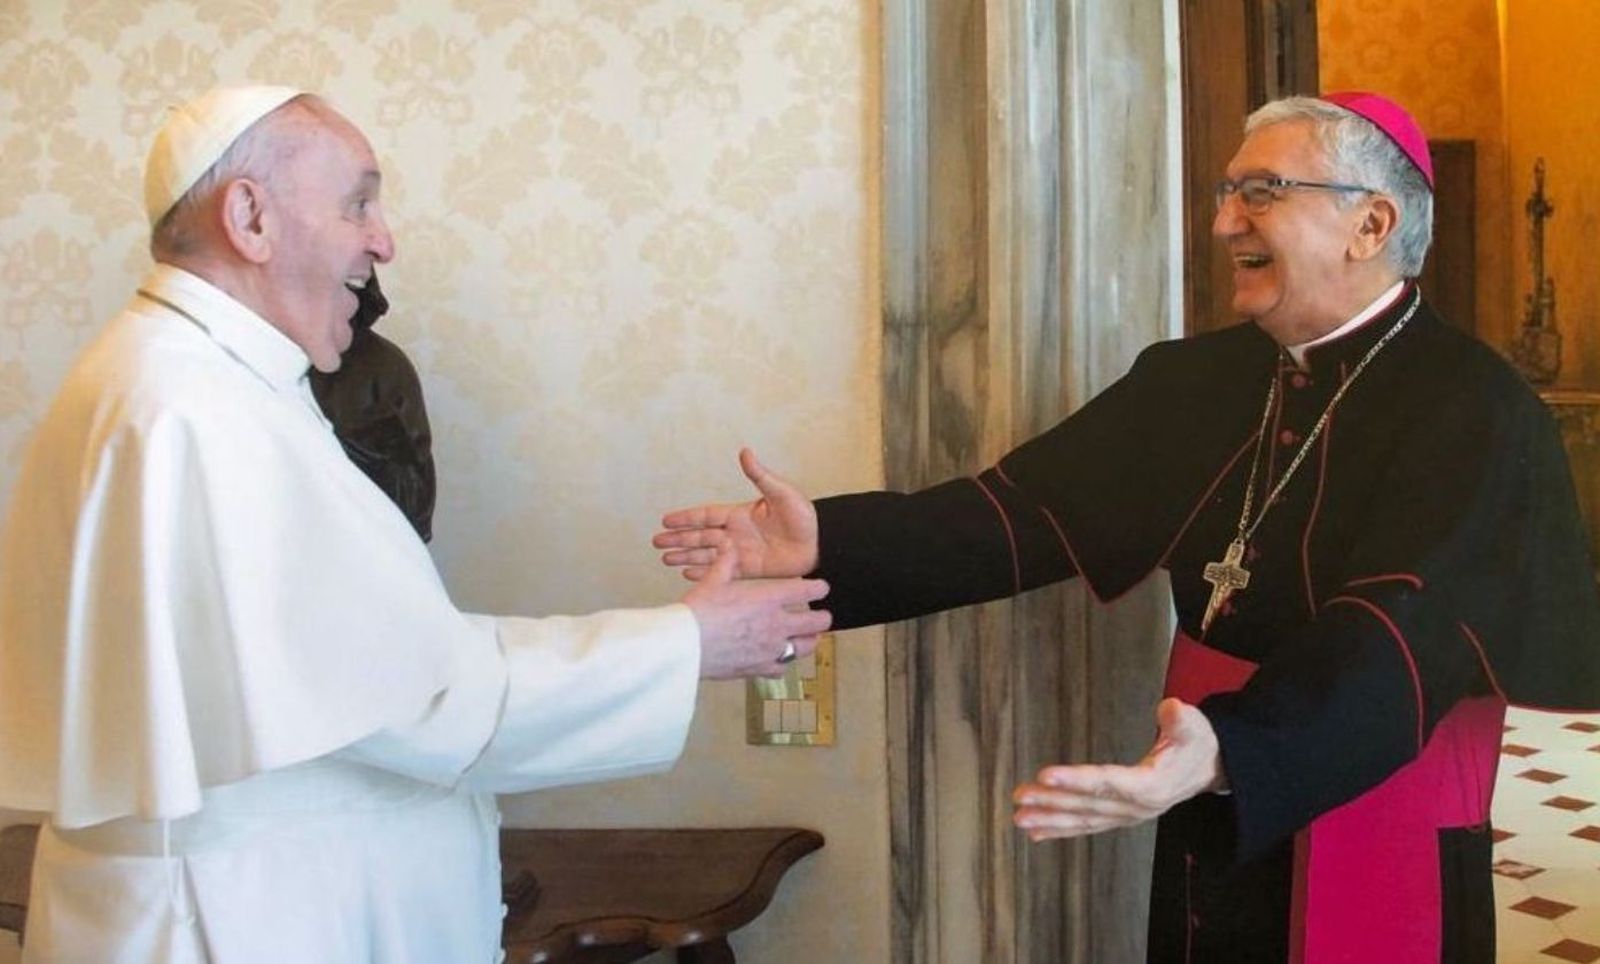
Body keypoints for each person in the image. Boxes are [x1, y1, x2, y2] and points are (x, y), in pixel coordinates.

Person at [655, 92, 1600, 963]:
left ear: (1372, 224)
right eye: (1228, 193)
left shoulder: (1479, 409)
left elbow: (1407, 628)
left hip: (1371, 774)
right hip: (1199, 764)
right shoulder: (1193, 382)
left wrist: (1237, 749)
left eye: (1262, 191)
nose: (1226, 221)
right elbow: (1019, 513)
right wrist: (826, 542)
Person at [0, 85, 830, 964]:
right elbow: (426, 703)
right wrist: (686, 644)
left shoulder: (198, 379)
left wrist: (680, 639)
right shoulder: (195, 408)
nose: (384, 241)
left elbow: (401, 654)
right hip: (237, 923)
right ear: (250, 217)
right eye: (357, 204)